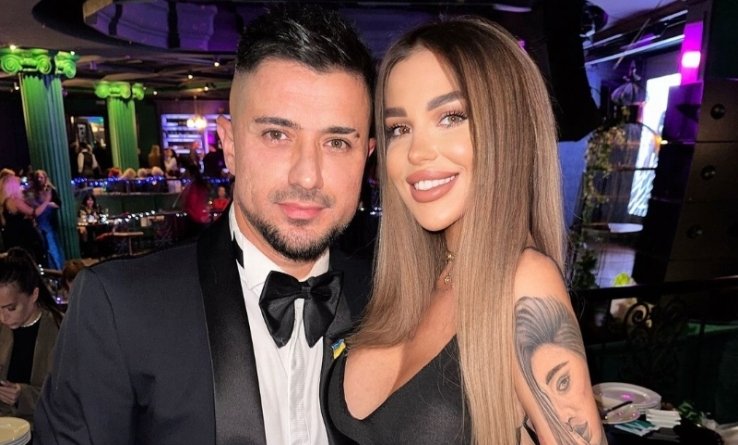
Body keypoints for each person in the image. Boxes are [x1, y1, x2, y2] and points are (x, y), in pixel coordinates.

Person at [34, 4, 376, 445]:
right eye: (277, 135)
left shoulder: (392, 299)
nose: (307, 176)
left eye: (337, 142)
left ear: (366, 157)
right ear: (230, 146)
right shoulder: (119, 308)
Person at [327, 17, 604, 445]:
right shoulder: (415, 280)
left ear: (507, 131)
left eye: (451, 117)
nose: (417, 152)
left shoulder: (524, 281)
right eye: (400, 128)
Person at [1, 247, 64, 426]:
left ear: (34, 295)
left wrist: (23, 395)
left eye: (11, 308)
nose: (3, 317)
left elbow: (69, 394)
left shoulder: (60, 330)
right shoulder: (3, 328)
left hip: (45, 429)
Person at [1, 172, 49, 266]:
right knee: (30, 259)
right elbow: (34, 212)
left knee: (18, 262)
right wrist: (46, 201)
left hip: (12, 236)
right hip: (23, 236)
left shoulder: (5, 202)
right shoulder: (15, 201)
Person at [27, 170, 65, 270]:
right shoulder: (32, 192)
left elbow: (58, 204)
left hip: (48, 222)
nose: (39, 179)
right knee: (42, 248)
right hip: (38, 223)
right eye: (37, 177)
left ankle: (57, 269)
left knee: (52, 247)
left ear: (45, 178)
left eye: (41, 177)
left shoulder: (50, 190)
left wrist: (47, 204)